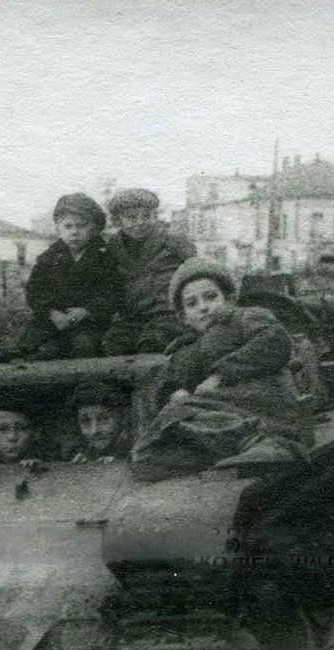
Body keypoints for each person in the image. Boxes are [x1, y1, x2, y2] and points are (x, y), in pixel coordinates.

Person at [131, 258, 314, 482]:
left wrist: (220, 375)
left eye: (211, 297)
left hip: (262, 399)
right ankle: (233, 451)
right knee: (147, 454)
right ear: (183, 317)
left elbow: (274, 342)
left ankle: (270, 443)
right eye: (192, 303)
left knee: (183, 412)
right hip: (220, 410)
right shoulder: (186, 348)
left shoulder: (246, 317)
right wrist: (173, 391)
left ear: (230, 299)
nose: (203, 307)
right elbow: (169, 378)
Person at [20, 193, 122, 360]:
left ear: (94, 228)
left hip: (89, 324)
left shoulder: (104, 258)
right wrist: (52, 313)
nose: (74, 232)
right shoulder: (48, 258)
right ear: (58, 229)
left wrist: (87, 311)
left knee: (85, 347)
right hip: (53, 323)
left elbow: (112, 292)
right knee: (42, 351)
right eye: (68, 226)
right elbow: (35, 291)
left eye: (81, 226)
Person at [101, 188, 197, 355]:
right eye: (131, 218)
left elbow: (196, 271)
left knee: (152, 344)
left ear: (155, 216)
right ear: (118, 221)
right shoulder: (114, 248)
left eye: (146, 216)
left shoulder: (173, 241)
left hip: (170, 313)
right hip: (133, 318)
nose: (140, 222)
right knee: (114, 344)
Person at [66, 381, 132, 463]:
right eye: (85, 421)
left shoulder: (136, 450)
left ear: (120, 419)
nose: (94, 430)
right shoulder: (84, 453)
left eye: (103, 419)